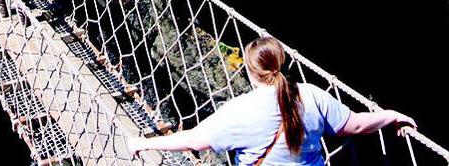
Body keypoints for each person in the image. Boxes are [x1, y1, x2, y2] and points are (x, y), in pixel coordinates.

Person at [130, 36, 415, 165]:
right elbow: (354, 126)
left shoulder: (238, 111)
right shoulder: (312, 95)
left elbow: (193, 141)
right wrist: (391, 115)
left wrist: (143, 144)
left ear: (251, 73)